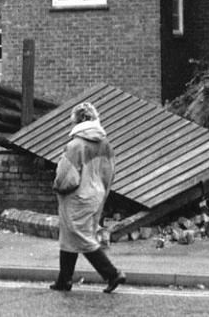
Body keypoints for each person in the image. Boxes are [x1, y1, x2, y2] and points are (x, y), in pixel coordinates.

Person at [50, 101, 126, 293]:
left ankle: (112, 273)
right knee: (69, 235)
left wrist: (57, 186)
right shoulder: (106, 145)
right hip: (97, 194)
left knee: (80, 236)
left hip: (77, 197)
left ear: (78, 120)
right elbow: (110, 174)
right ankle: (64, 280)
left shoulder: (75, 145)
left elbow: (66, 177)